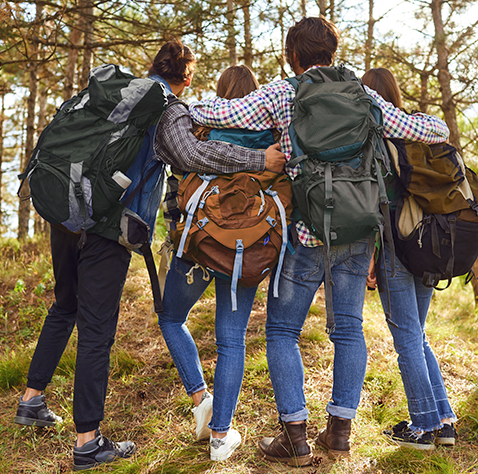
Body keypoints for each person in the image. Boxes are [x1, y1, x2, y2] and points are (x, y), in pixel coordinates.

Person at [188, 17, 450, 465]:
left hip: (305, 234)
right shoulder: (362, 95)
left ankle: (295, 435)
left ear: (292, 55)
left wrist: (179, 105)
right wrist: (433, 123)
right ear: (334, 53)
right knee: (348, 329)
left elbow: (218, 113)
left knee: (282, 331)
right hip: (357, 231)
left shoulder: (283, 93)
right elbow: (427, 132)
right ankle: (340, 432)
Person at [13, 40, 285, 471]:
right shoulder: (166, 108)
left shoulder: (118, 93)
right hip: (109, 229)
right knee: (97, 332)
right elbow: (193, 154)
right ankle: (87, 441)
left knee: (64, 307)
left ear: (153, 66)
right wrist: (258, 158)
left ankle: (31, 400)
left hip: (65, 214)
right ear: (188, 75)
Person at [157, 63, 283, 462]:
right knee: (232, 340)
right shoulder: (271, 140)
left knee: (170, 317)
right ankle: (220, 436)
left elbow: (176, 185)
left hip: (199, 244)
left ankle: (200, 397)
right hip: (246, 248)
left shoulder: (202, 126)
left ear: (221, 92)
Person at [363, 67, 457, 450]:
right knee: (417, 337)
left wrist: (370, 259)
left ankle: (422, 425)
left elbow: (370, 205)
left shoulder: (373, 142)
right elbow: (445, 132)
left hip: (395, 249)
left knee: (406, 342)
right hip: (430, 245)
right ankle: (444, 419)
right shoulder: (421, 130)